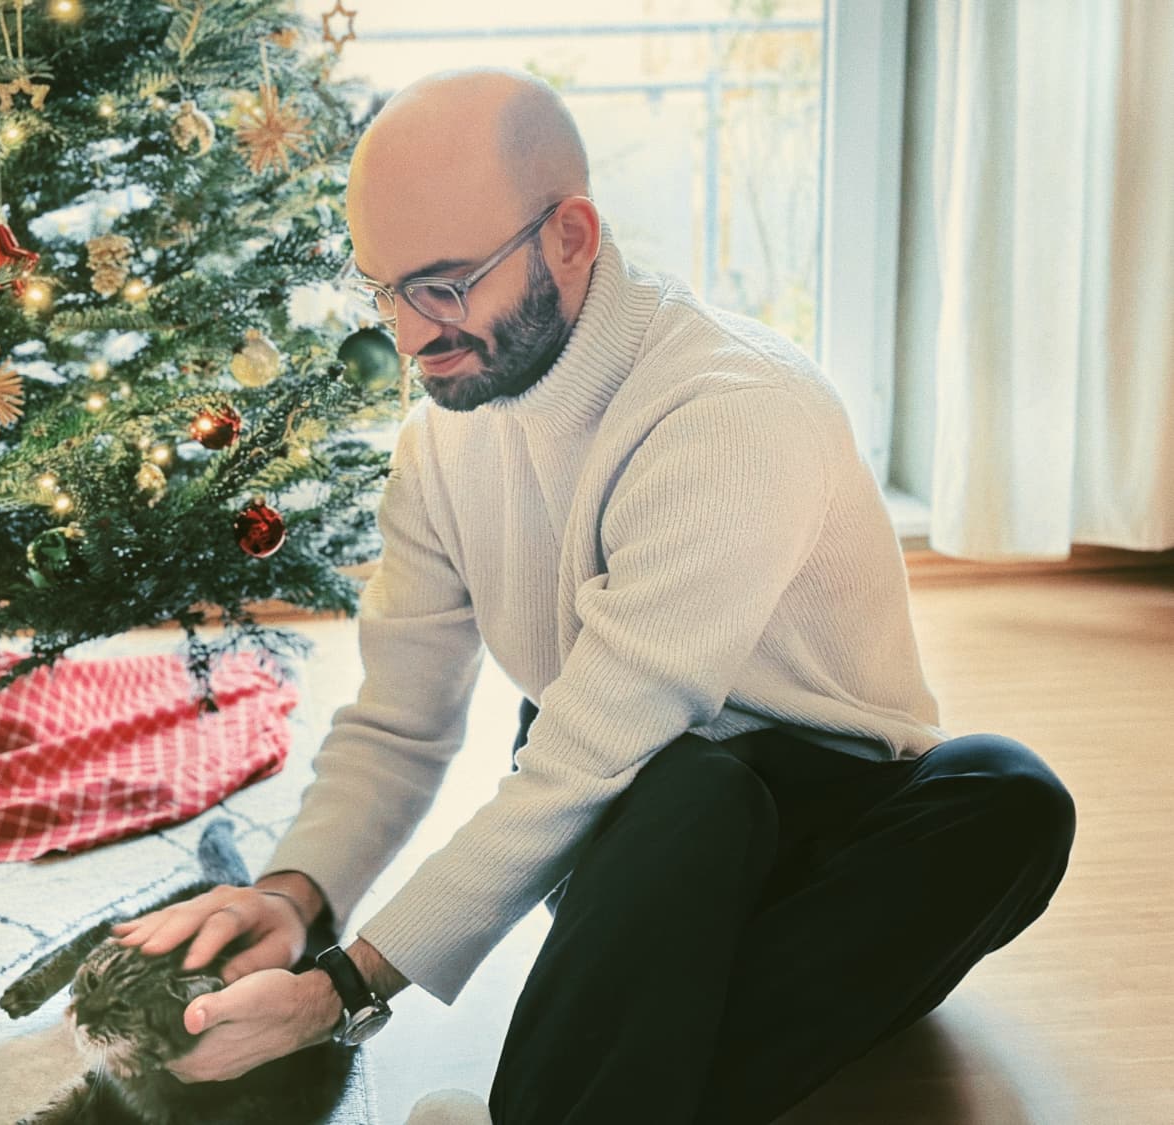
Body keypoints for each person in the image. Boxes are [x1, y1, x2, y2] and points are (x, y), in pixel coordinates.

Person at [110, 67, 1076, 1123]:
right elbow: (400, 720)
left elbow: (589, 754)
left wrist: (337, 994)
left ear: (571, 236)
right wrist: (293, 897)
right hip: (647, 835)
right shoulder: (440, 442)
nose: (409, 332)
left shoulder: (734, 412)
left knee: (1011, 800)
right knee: (689, 791)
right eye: (381, 289)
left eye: (445, 283)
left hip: (826, 822)